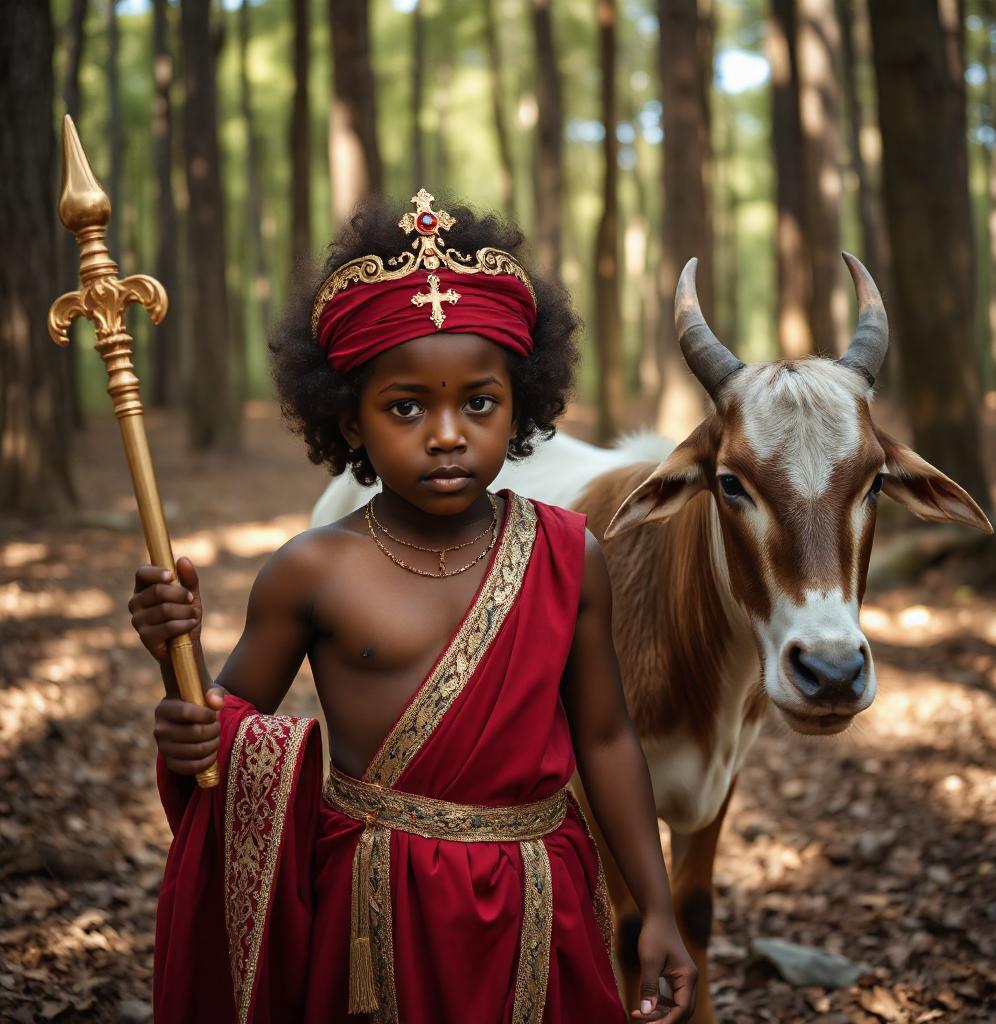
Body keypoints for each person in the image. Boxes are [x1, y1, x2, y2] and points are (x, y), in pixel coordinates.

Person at [130, 189, 697, 1024]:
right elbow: (223, 738)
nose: (447, 434)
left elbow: (607, 737)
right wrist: (175, 681)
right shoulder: (310, 571)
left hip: (542, 907)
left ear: (521, 404)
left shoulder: (569, 554)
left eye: (479, 402)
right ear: (349, 422)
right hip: (370, 915)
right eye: (406, 407)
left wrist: (656, 906)